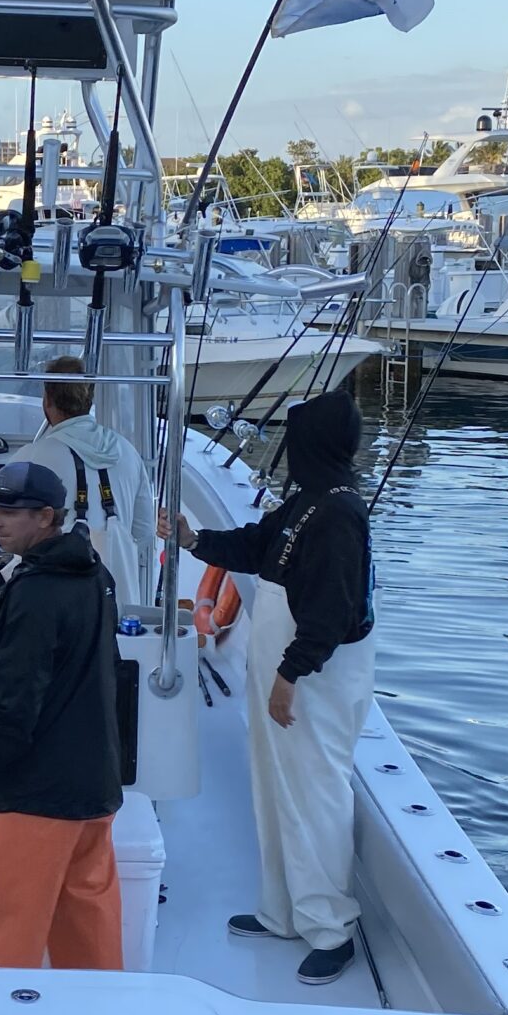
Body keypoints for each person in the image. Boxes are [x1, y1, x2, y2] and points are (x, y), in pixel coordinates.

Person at [164, 389, 375, 984]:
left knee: (314, 792)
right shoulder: (308, 500)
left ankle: (331, 928)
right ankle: (282, 910)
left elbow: (332, 611)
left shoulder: (339, 514)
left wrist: (289, 675)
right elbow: (257, 546)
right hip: (282, 666)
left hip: (312, 676)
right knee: (273, 782)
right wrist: (193, 540)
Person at [0, 460, 124, 972]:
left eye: (11, 511)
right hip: (94, 782)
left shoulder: (35, 592)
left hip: (36, 792)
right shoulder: (96, 574)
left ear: (46, 517)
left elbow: (15, 698)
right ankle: (99, 1010)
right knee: (88, 916)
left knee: (9, 925)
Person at [14, 357, 156, 605]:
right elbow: (143, 532)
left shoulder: (30, 458)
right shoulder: (128, 452)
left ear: (47, 400)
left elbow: (8, 527)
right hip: (116, 605)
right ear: (89, 399)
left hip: (52, 603)